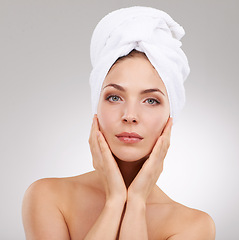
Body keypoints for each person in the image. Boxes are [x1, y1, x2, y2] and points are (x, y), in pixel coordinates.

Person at [22, 6, 216, 240]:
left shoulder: (194, 226)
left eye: (151, 100)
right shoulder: (47, 196)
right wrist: (115, 202)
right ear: (97, 108)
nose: (130, 115)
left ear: (169, 118)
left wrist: (135, 203)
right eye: (114, 97)